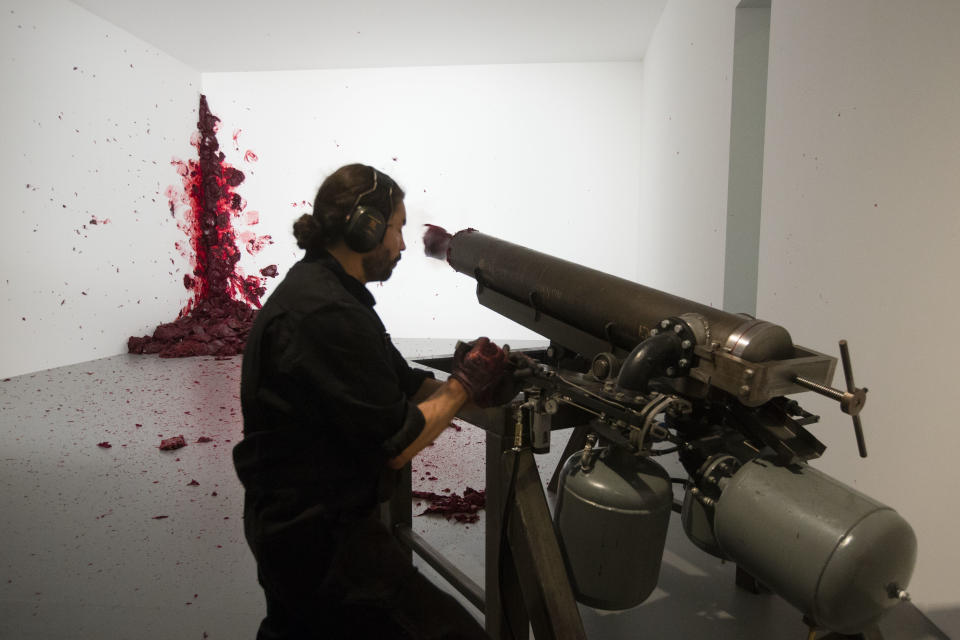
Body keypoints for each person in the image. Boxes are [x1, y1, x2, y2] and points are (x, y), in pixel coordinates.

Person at [233, 163, 516, 639]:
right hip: (325, 543)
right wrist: (465, 384)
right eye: (397, 228)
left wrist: (469, 384)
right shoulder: (328, 314)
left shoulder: (327, 294)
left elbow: (404, 386)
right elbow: (397, 444)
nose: (403, 245)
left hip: (289, 527)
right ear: (364, 226)